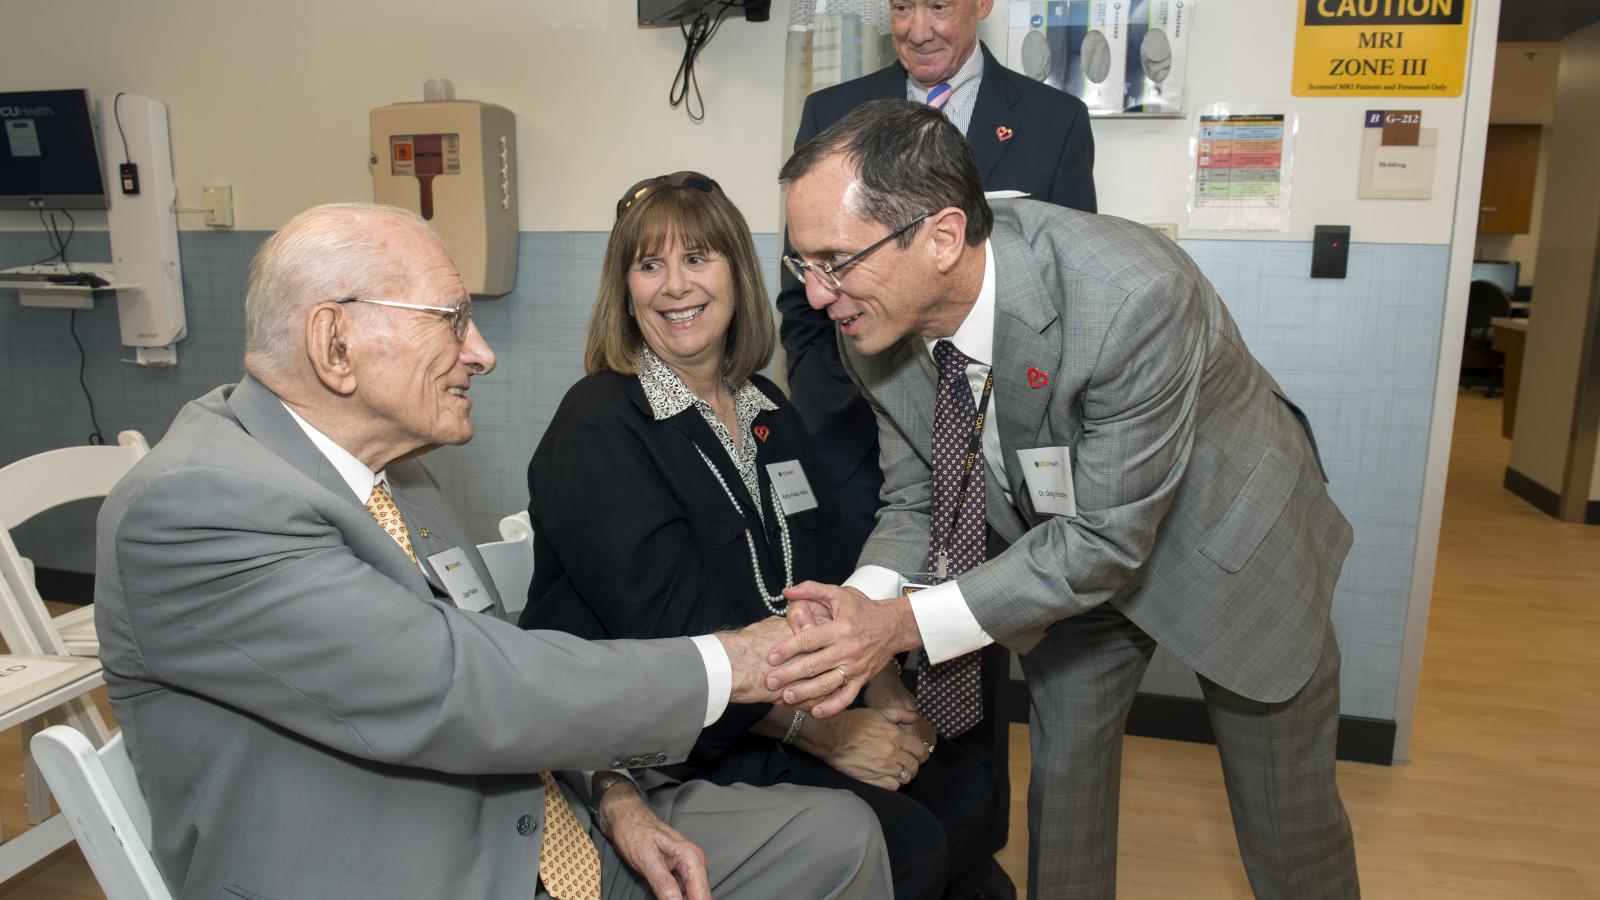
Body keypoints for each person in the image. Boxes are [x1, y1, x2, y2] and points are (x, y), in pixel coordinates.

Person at [93, 201, 893, 900]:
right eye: (451, 320)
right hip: (406, 867)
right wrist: (736, 662)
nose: (482, 352)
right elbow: (459, 684)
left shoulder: (396, 475)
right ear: (334, 342)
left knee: (837, 840)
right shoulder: (199, 503)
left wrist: (612, 793)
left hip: (540, 813)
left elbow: (499, 659)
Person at [766, 101, 1361, 900]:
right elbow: (918, 498)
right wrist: (856, 608)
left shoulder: (1130, 296)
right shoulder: (869, 315)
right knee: (1066, 811)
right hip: (1062, 565)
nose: (814, 294)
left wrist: (900, 626)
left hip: (1232, 546)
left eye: (833, 261)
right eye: (802, 262)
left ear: (941, 238)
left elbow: (1106, 542)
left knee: (1292, 836)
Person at [520, 172, 998, 899]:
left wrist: (883, 685)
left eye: (697, 259)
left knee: (970, 793)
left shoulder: (764, 406)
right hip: (675, 743)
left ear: (737, 274)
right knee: (912, 842)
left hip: (779, 706)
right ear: (624, 290)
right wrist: (822, 732)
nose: (674, 286)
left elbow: (832, 565)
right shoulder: (600, 423)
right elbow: (674, 634)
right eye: (649, 266)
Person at [777, 8, 1098, 876]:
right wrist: (861, 409)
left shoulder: (1051, 121)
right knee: (882, 673)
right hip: (883, 447)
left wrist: (896, 619)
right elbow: (808, 307)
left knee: (976, 676)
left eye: (941, 1)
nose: (918, 22)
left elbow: (1069, 315)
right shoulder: (833, 117)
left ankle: (963, 850)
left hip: (1022, 472)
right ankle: (907, 854)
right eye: (899, 2)